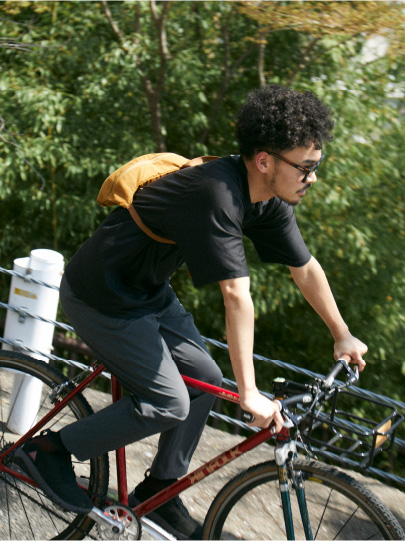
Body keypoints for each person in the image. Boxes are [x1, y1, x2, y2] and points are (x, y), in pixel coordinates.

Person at [15, 84, 367, 539]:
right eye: (306, 167)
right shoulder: (216, 194)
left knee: (205, 383)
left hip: (150, 293)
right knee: (168, 402)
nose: (312, 178)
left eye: (316, 165)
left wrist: (341, 333)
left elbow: (305, 269)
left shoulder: (269, 201)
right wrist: (250, 393)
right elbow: (236, 295)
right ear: (265, 161)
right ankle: (50, 451)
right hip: (101, 295)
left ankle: (159, 491)